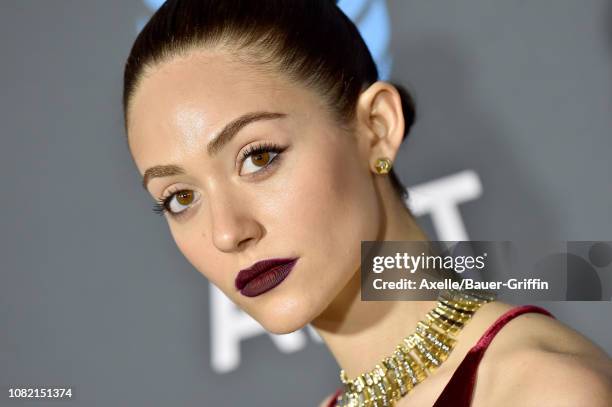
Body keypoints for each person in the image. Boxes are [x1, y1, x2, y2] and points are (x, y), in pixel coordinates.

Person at [122, 0, 612, 405]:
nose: (227, 232)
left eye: (258, 157)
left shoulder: (541, 390)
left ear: (377, 129)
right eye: (180, 197)